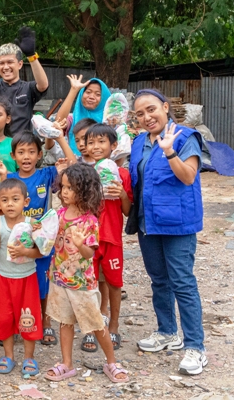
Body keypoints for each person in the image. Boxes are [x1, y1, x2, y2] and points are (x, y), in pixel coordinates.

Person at [126, 89, 207, 375]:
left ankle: (195, 347)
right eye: (140, 114)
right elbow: (136, 183)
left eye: (151, 109)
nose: (147, 117)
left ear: (165, 107)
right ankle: (167, 332)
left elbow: (188, 177)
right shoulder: (139, 142)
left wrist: (169, 151)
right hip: (148, 223)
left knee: (182, 282)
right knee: (159, 280)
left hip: (177, 224)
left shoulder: (185, 137)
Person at [44, 164, 129, 384]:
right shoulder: (59, 215)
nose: (64, 192)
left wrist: (80, 244)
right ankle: (67, 363)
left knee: (96, 323)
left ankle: (111, 362)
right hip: (59, 279)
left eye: (70, 188)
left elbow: (89, 254)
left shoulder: (89, 220)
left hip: (82, 283)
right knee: (65, 321)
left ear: (84, 190)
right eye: (63, 187)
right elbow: (50, 241)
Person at [0, 130, 75, 346]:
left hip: (41, 242)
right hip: (16, 243)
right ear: (13, 156)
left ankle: (45, 322)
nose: (26, 157)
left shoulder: (46, 174)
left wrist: (59, 137)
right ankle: (15, 325)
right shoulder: (9, 178)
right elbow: (2, 205)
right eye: (21, 152)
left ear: (39, 155)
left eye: (31, 151)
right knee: (16, 284)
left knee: (42, 285)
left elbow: (72, 165)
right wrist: (2, 176)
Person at [82, 123, 132, 353]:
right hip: (88, 240)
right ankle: (92, 327)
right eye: (91, 142)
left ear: (114, 145)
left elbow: (128, 211)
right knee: (89, 283)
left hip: (112, 238)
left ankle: (114, 325)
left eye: (101, 142)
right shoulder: (85, 174)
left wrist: (121, 194)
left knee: (114, 283)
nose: (96, 146)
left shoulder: (121, 174)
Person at [0, 178, 45, 377]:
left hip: (27, 278)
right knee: (5, 318)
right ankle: (8, 356)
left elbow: (41, 252)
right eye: (5, 200)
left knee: (28, 317)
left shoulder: (32, 224)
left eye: (15, 199)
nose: (10, 204)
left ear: (26, 202)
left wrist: (25, 251)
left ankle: (29, 357)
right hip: (4, 278)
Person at [55, 75, 111, 157]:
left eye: (98, 94)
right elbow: (59, 121)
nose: (91, 97)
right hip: (75, 161)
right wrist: (74, 90)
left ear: (104, 99)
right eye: (88, 92)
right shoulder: (73, 119)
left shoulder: (109, 121)